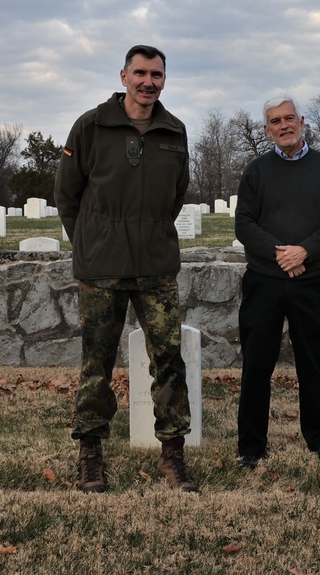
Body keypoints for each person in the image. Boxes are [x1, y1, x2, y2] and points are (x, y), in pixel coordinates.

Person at [55, 45, 198, 494]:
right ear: (123, 75)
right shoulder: (91, 126)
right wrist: (94, 241)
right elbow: (67, 195)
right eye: (140, 72)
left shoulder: (174, 131)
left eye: (156, 74)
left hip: (155, 266)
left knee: (169, 362)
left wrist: (149, 232)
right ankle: (91, 455)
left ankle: (173, 455)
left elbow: (175, 196)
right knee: (96, 362)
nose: (148, 82)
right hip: (102, 268)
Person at [234, 96, 320, 473]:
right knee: (256, 366)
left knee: (313, 365)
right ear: (267, 130)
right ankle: (251, 446)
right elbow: (244, 224)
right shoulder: (255, 171)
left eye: (289, 118)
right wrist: (280, 255)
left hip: (310, 281)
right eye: (275, 121)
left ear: (302, 122)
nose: (284, 125)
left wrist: (304, 252)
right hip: (263, 282)